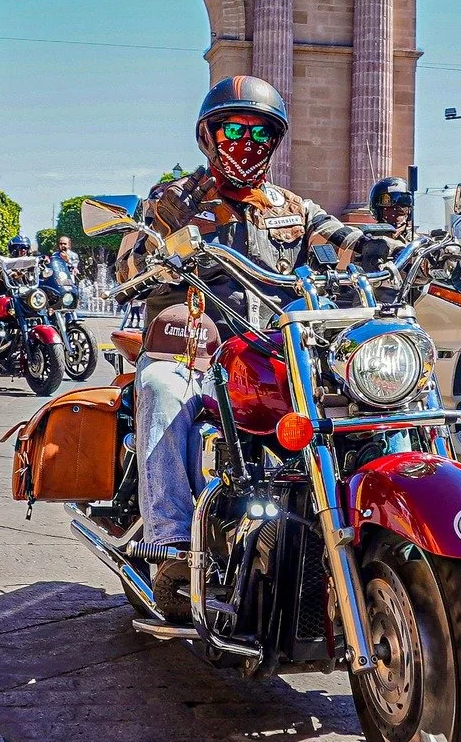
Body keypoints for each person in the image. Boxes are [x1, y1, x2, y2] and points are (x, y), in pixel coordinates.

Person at [117, 76, 360, 620]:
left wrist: (398, 245)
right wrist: (157, 254)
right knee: (159, 386)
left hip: (277, 353)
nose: (246, 140)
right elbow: (127, 264)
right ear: (209, 135)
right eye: (233, 127)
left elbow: (344, 237)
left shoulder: (290, 206)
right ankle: (171, 544)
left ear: (275, 140)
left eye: (260, 130)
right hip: (196, 350)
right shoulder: (176, 199)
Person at [368, 176, 415, 241]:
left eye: (403, 200)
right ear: (378, 209)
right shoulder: (368, 238)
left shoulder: (416, 241)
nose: (398, 208)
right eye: (386, 201)